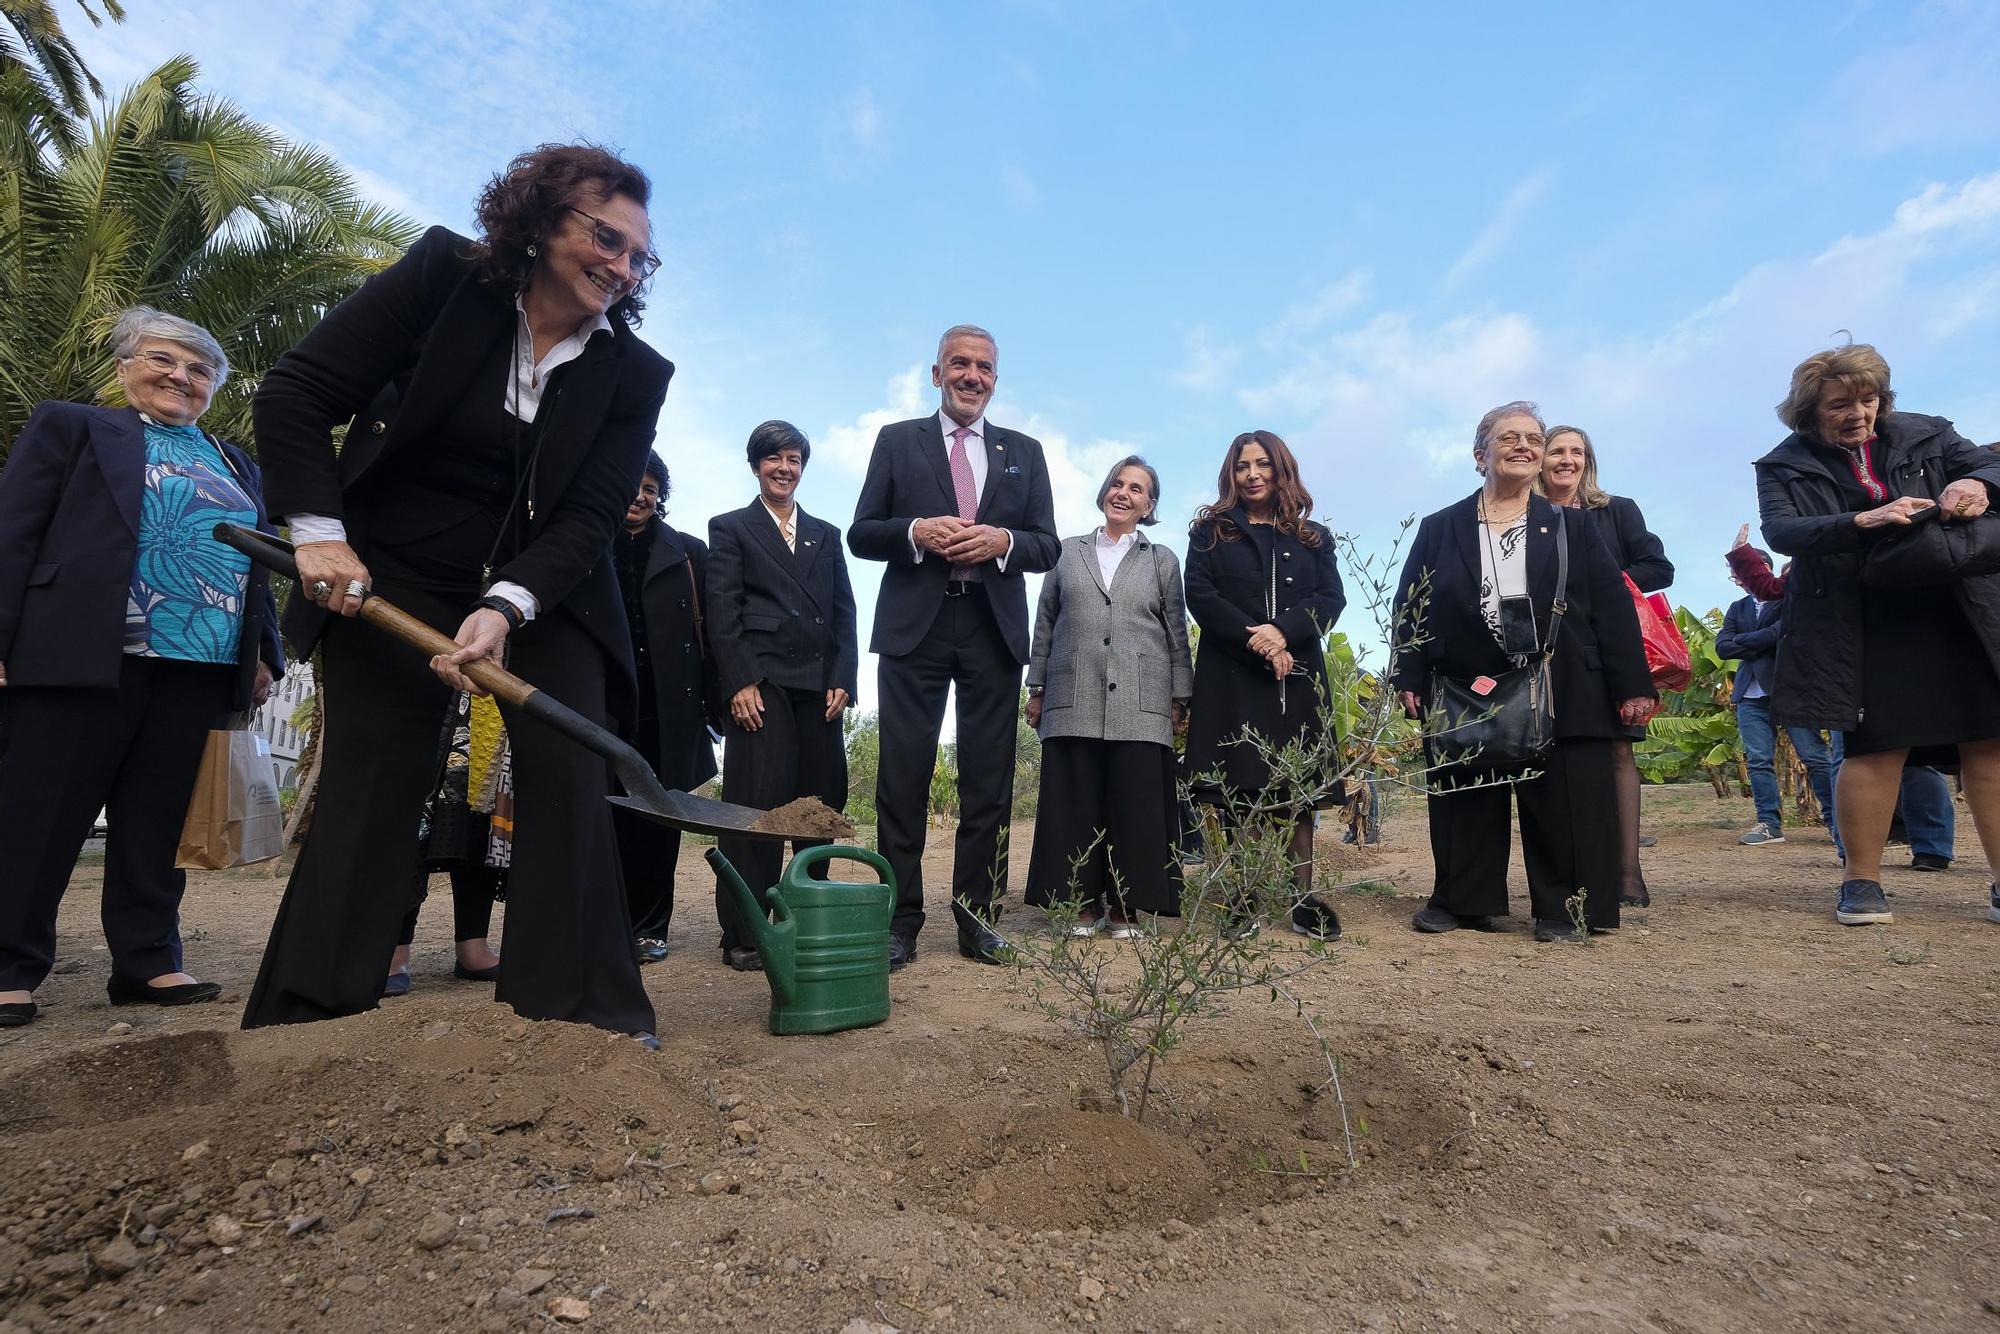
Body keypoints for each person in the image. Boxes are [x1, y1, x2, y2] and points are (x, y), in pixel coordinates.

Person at [243, 143, 674, 1043]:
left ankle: (579, 1018)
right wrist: (320, 536)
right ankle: (312, 1016)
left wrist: (507, 605)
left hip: (546, 590)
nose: (622, 266)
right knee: (377, 772)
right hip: (389, 570)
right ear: (540, 218)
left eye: (639, 256)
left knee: (566, 769)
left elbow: (591, 515)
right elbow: (297, 391)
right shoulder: (444, 277)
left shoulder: (633, 375)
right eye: (607, 237)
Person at [0, 307, 284, 1026]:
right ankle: (9, 967)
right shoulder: (74, 427)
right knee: (40, 814)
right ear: (125, 366)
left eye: (199, 370)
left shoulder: (232, 460)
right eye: (163, 360)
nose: (181, 377)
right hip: (82, 652)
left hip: (200, 661)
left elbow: (259, 562)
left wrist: (263, 653)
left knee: (157, 822)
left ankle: (148, 961)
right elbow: (13, 530)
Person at [1754, 344, 2000, 928]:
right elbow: (1782, 531)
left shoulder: (1930, 433)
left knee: (1989, 744)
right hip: (1861, 621)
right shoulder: (1783, 464)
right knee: (1875, 748)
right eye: (1840, 404)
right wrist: (1860, 521)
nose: (1858, 413)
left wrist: (1974, 485)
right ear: (1809, 412)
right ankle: (1860, 883)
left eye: (1868, 399)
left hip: (1955, 608)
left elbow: (1992, 465)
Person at [1393, 401, 1655, 942]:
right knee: (1467, 789)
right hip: (1466, 682)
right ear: (1479, 454)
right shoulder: (1440, 527)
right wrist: (1409, 674)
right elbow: (1411, 605)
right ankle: (1464, 901)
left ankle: (1567, 908)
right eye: (1508, 437)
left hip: (1563, 678)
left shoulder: (1572, 527)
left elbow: (1611, 606)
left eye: (1533, 438)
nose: (1524, 446)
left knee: (1566, 798)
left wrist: (1631, 684)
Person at [848, 326, 1059, 969]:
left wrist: (1004, 543)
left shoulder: (1025, 450)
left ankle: (977, 917)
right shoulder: (896, 440)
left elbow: (1046, 545)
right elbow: (861, 533)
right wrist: (913, 530)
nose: (973, 376)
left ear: (996, 379)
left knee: (988, 778)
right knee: (902, 775)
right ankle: (899, 919)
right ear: (936, 372)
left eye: (985, 368)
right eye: (959, 364)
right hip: (917, 627)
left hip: (992, 628)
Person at [1181, 430, 1346, 940]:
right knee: (1240, 788)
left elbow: (1331, 597)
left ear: (1281, 470)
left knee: (1297, 791)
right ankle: (1244, 894)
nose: (1252, 474)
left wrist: (1285, 633)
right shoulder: (1211, 533)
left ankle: (1302, 899)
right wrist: (1260, 642)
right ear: (1230, 474)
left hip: (1296, 676)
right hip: (1233, 674)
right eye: (1242, 466)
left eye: (1262, 465)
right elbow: (1200, 597)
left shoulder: (1312, 536)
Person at [708, 421, 857, 971]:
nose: (784, 468)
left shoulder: (826, 533)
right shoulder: (730, 528)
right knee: (758, 807)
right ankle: (744, 933)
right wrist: (739, 681)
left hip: (820, 688)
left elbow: (844, 608)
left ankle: (809, 919)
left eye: (793, 459)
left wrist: (845, 675)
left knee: (820, 806)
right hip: (762, 686)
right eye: (774, 459)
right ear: (755, 465)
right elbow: (722, 610)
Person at [1023, 456, 1194, 935]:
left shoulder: (1162, 560)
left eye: (1136, 489)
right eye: (1117, 483)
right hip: (1071, 692)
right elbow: (1046, 625)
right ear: (1104, 491)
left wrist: (1181, 696)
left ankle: (1124, 907)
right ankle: (1080, 904)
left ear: (1149, 505)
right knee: (1074, 802)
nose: (1123, 493)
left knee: (1134, 806)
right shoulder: (1064, 552)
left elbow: (1176, 632)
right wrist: (1036, 688)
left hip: (1142, 698)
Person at [1728, 524, 1951, 871]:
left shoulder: (1900, 547)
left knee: (1917, 756)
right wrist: (1743, 556)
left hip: (1899, 659)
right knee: (1844, 755)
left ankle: (1931, 846)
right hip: (1840, 671)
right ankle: (1851, 848)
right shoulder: (1816, 558)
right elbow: (1773, 589)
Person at [1538, 425, 1671, 907]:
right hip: (1547, 651)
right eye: (1557, 451)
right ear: (1541, 459)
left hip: (1608, 648)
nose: (1567, 459)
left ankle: (1628, 871)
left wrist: (1600, 582)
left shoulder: (1616, 510)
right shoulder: (1522, 515)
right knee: (1553, 757)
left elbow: (1659, 568)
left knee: (1618, 754)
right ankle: (1572, 872)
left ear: (1587, 460)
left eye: (1577, 451)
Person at [612, 452, 716, 965]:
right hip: (605, 706)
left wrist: (718, 704)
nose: (640, 496)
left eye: (651, 488)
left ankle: (651, 928)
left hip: (669, 708)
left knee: (658, 821)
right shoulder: (589, 542)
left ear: (661, 496)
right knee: (604, 815)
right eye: (633, 484)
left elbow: (712, 633)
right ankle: (605, 924)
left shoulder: (690, 552)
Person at [1717, 545, 1842, 858]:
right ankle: (1768, 824)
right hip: (1749, 694)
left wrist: (1743, 643)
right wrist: (1757, 642)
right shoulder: (1737, 608)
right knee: (1758, 760)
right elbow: (1722, 648)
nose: (1737, 578)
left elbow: (1780, 633)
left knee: (1815, 756)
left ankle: (1837, 822)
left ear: (1762, 568)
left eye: (1740, 572)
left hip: (1791, 688)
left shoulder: (1790, 598)